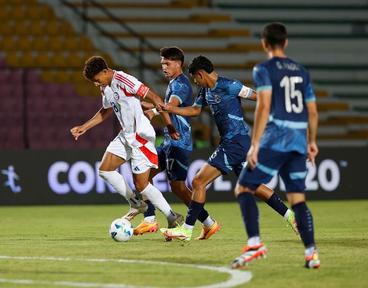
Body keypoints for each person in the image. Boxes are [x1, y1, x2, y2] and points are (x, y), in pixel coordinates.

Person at [159, 55, 297, 241]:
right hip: (232, 143)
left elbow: (258, 97)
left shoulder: (230, 86)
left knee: (199, 182)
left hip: (236, 142)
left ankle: (186, 229)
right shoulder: (205, 91)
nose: (195, 82)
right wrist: (171, 109)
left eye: (195, 78)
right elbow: (195, 110)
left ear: (200, 74)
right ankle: (291, 217)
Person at [231, 23, 320, 269]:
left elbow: (264, 106)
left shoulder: (264, 69)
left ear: (264, 43)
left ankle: (255, 243)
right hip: (299, 140)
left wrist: (255, 144)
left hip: (276, 137)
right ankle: (311, 253)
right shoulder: (302, 71)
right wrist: (312, 141)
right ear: (286, 42)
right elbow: (312, 111)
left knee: (244, 188)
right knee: (297, 198)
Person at [70, 56, 183, 228]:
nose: (96, 83)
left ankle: (171, 216)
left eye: (97, 79)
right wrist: (85, 127)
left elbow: (154, 96)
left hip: (140, 136)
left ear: (105, 71)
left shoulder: (124, 79)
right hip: (126, 135)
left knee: (142, 185)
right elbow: (105, 110)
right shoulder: (105, 87)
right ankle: (137, 204)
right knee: (105, 171)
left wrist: (169, 125)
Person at [135, 47, 220, 240]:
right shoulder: (174, 83)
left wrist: (154, 112)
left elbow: (170, 106)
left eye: (168, 63)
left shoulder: (181, 84)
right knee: (143, 178)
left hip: (177, 142)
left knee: (179, 188)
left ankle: (208, 223)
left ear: (179, 64)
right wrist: (145, 105)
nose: (164, 67)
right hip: (168, 143)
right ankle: (150, 219)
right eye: (162, 63)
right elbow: (167, 107)